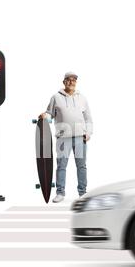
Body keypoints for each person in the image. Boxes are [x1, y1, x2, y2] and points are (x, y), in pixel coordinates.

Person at [39, 72, 93, 203]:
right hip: (64, 138)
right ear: (64, 82)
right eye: (68, 80)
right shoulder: (56, 97)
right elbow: (50, 113)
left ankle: (83, 193)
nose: (71, 82)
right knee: (61, 165)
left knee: (81, 166)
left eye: (73, 80)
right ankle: (60, 193)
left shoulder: (82, 98)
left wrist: (88, 132)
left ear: (76, 82)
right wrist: (44, 116)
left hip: (80, 137)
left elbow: (88, 118)